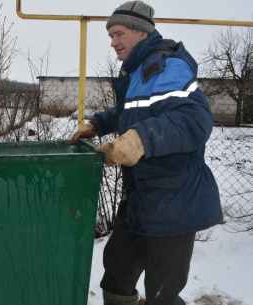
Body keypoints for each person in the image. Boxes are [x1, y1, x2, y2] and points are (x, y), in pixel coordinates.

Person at [72, 2, 222, 304]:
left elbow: (195, 119)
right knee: (117, 270)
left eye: (118, 34)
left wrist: (140, 140)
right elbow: (136, 111)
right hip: (142, 197)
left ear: (141, 32)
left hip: (174, 200)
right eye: (110, 36)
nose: (113, 42)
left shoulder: (166, 64)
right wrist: (99, 124)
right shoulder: (139, 71)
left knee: (162, 292)